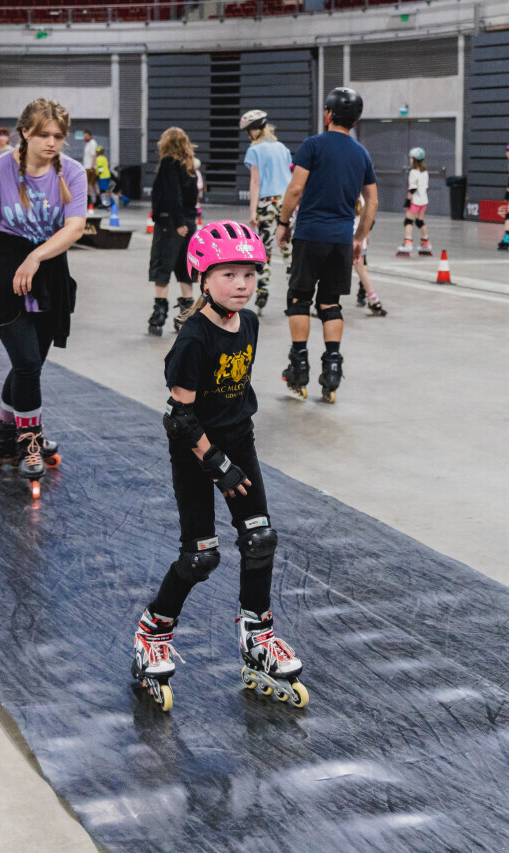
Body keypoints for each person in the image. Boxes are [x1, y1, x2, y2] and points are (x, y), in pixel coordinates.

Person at [131, 220, 307, 713]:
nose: (242, 285)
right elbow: (179, 418)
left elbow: (236, 394)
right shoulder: (192, 339)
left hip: (238, 443)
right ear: (204, 279)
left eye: (249, 275)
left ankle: (257, 638)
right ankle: (153, 632)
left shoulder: (248, 324)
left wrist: (234, 456)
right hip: (195, 452)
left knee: (260, 538)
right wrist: (216, 463)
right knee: (200, 556)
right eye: (228, 275)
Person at [0, 98, 87, 500]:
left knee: (31, 365)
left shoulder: (73, 172)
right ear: (25, 132)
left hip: (48, 269)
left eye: (58, 136)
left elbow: (75, 227)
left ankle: (7, 432)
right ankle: (30, 439)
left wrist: (37, 256)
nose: (51, 142)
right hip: (2, 268)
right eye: (43, 134)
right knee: (27, 363)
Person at [276, 87, 378, 404]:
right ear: (355, 120)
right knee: (330, 303)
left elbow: (295, 189)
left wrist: (282, 223)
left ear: (328, 114)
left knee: (299, 298)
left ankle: (299, 367)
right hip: (340, 240)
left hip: (310, 234)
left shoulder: (313, 145)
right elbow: (372, 202)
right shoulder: (361, 153)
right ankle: (332, 370)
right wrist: (358, 238)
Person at [147, 127, 200, 337]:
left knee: (162, 267)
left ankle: (159, 314)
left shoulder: (168, 163)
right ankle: (186, 316)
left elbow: (172, 193)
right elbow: (193, 195)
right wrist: (187, 221)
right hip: (189, 222)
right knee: (185, 270)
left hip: (171, 223)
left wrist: (177, 222)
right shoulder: (190, 165)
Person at [240, 109, 294, 313]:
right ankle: (294, 293)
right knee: (288, 248)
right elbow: (289, 177)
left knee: (264, 249)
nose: (248, 136)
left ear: (254, 130)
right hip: (286, 203)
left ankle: (262, 291)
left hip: (267, 203)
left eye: (248, 131)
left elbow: (255, 182)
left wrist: (252, 212)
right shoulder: (282, 148)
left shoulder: (254, 150)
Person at [354, 194, 386, 316]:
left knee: (334, 271)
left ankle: (324, 303)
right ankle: (373, 300)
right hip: (359, 241)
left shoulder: (347, 196)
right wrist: (366, 236)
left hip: (347, 239)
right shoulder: (364, 199)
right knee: (362, 270)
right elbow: (368, 220)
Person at [397, 147, 432, 257]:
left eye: (411, 158)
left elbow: (412, 189)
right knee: (420, 222)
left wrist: (407, 201)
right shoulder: (425, 172)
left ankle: (408, 243)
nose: (410, 159)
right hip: (424, 201)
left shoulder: (413, 172)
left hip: (415, 201)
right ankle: (426, 243)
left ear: (414, 159)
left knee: (408, 221)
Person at [81, 129, 99, 207]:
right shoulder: (88, 143)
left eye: (86, 136)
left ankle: (89, 201)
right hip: (88, 166)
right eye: (84, 136)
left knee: (87, 184)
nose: (84, 137)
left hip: (89, 167)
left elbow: (94, 155)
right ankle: (97, 200)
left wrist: (92, 167)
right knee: (93, 183)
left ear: (90, 136)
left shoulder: (92, 143)